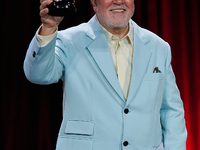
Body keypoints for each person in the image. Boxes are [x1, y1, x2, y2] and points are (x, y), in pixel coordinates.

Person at [24, 0, 187, 149]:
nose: (118, 2)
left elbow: (171, 110)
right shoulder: (69, 41)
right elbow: (39, 75)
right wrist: (49, 28)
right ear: (94, 3)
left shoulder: (159, 47)